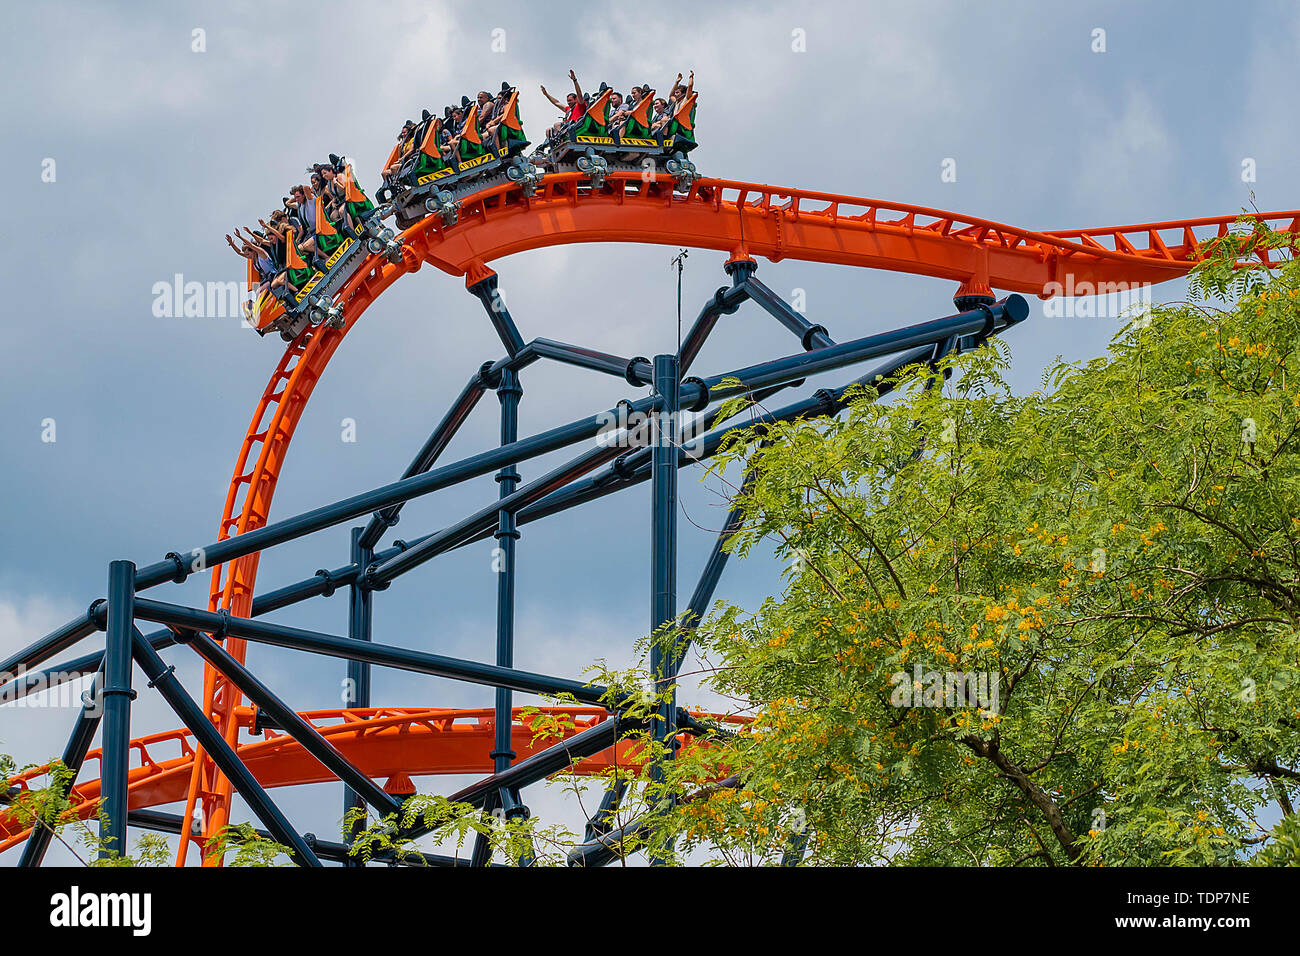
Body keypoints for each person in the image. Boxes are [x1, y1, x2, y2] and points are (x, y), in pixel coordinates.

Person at [541, 69, 585, 138]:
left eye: (570, 100)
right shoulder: (568, 109)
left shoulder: (580, 105)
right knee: (548, 130)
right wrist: (546, 94)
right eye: (567, 101)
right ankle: (554, 144)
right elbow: (556, 103)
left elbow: (579, 93)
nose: (568, 102)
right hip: (566, 127)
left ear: (576, 99)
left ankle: (560, 139)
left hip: (575, 127)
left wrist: (575, 81)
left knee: (557, 124)